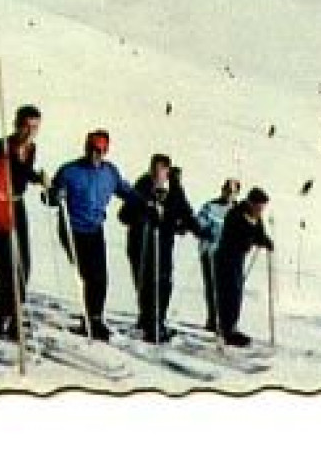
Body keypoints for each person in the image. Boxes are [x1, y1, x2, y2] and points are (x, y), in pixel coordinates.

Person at [49, 130, 139, 341]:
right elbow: (51, 195)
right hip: (72, 229)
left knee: (100, 277)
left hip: (95, 229)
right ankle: (89, 319)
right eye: (91, 149)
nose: (94, 154)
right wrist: (54, 195)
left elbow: (126, 191)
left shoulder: (110, 173)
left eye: (99, 150)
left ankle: (95, 318)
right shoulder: (70, 171)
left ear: (105, 151)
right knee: (88, 274)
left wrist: (145, 204)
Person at [119, 154, 203, 343]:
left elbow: (185, 211)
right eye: (154, 170)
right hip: (141, 244)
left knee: (164, 283)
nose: (157, 175)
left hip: (163, 244)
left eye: (161, 171)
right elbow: (124, 215)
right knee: (146, 283)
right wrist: (144, 215)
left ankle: (157, 321)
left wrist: (196, 229)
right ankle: (149, 322)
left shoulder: (174, 189)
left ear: (167, 171)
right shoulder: (142, 186)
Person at [0, 104, 45, 339]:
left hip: (17, 206)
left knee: (22, 264)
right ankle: (4, 316)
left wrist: (37, 177)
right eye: (26, 127)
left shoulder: (30, 149)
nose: (30, 133)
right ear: (16, 125)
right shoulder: (0, 148)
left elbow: (22, 174)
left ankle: (12, 314)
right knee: (6, 265)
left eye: (35, 128)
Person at [212, 187, 273, 347]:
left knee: (237, 293)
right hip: (226, 257)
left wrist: (265, 240)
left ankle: (231, 328)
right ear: (251, 203)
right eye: (259, 207)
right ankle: (226, 330)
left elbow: (259, 233)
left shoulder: (255, 217)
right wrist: (255, 238)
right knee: (229, 293)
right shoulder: (236, 214)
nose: (261, 211)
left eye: (262, 208)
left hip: (238, 258)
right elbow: (240, 236)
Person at [194, 178, 241, 333]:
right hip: (211, 252)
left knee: (229, 289)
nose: (229, 194)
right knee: (213, 286)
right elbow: (199, 223)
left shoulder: (239, 210)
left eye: (233, 192)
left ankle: (228, 322)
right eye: (227, 190)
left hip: (229, 255)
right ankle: (213, 319)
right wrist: (205, 230)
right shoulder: (211, 206)